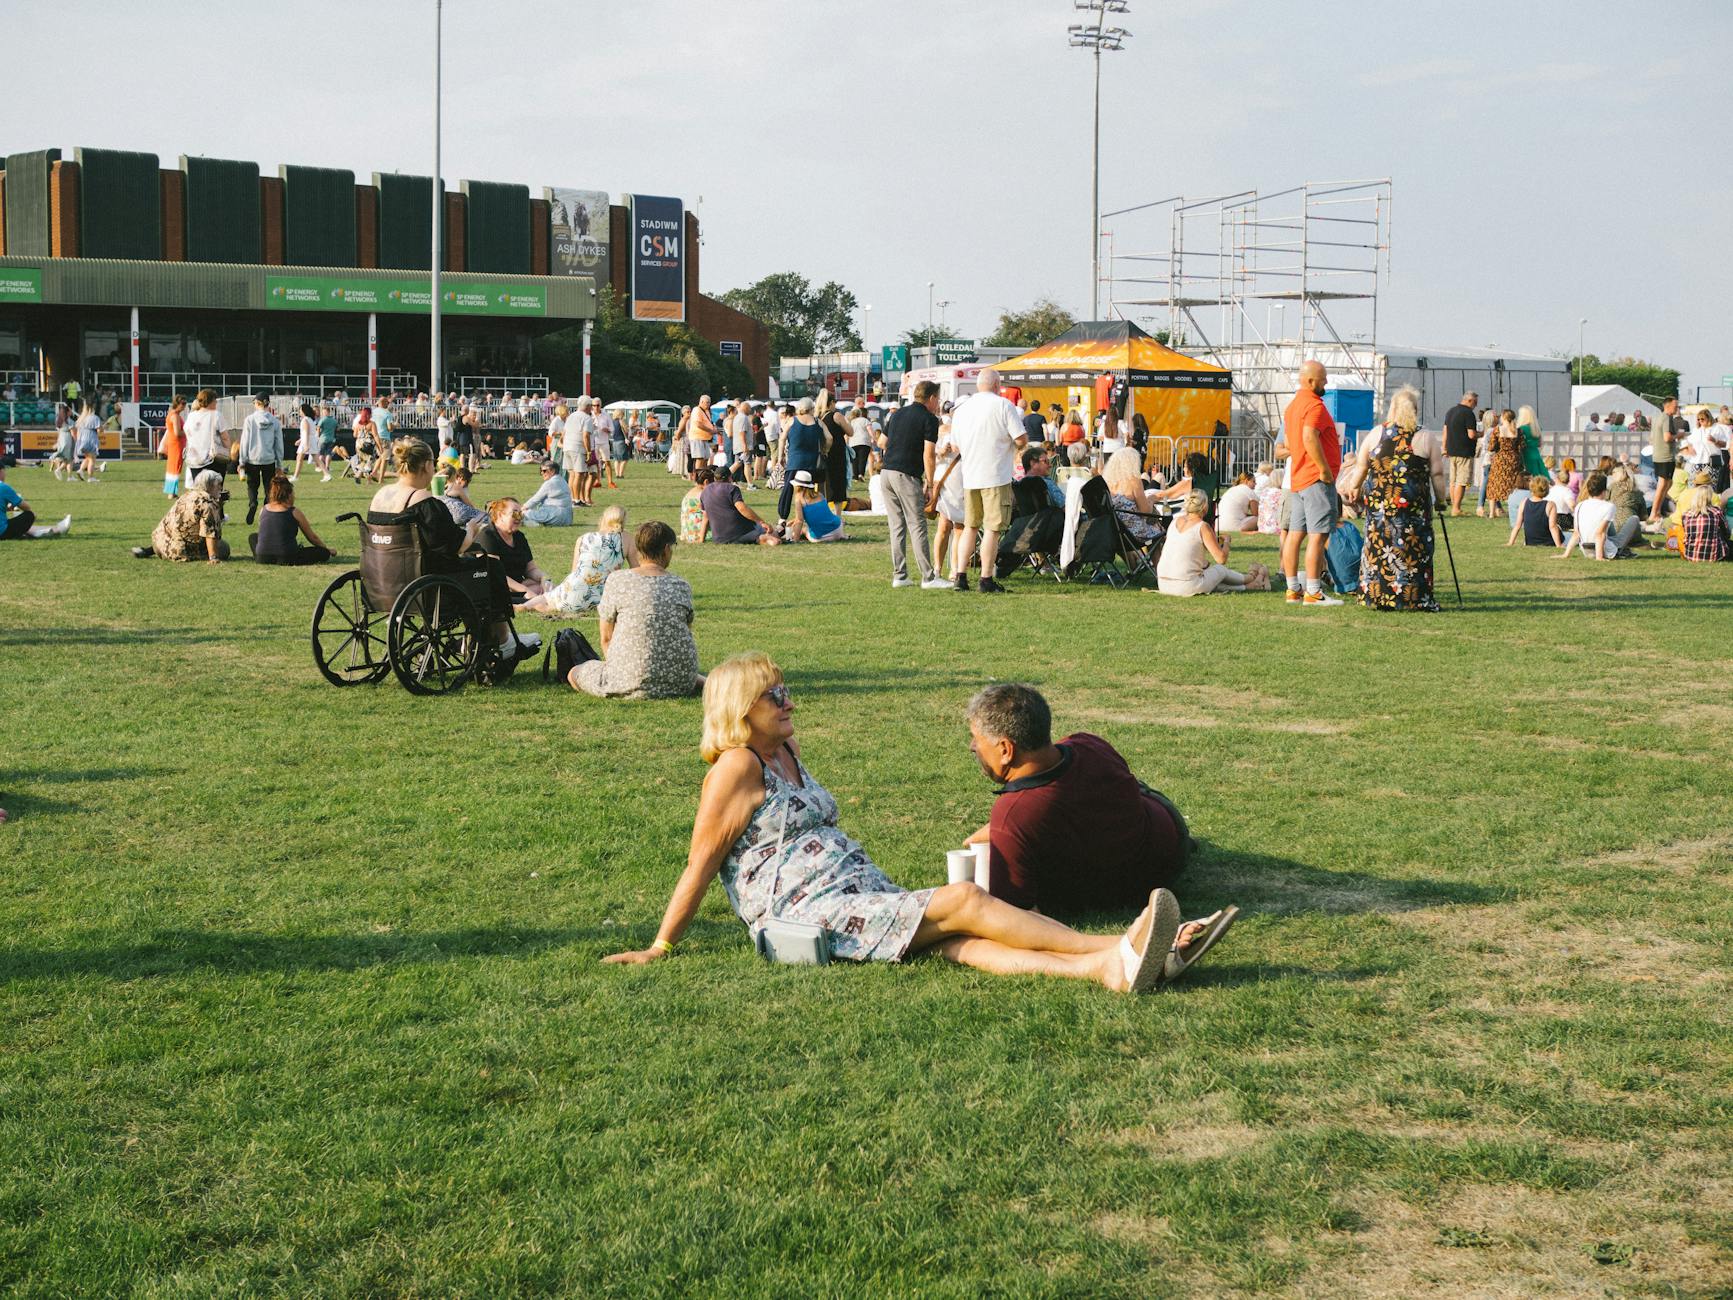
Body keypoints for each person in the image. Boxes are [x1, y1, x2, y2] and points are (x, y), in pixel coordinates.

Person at [603, 653, 1228, 990]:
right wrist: (661, 946)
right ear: (741, 709)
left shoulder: (783, 751)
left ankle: (1110, 969)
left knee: (956, 942)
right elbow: (702, 860)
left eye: (787, 690)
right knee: (962, 899)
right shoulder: (736, 767)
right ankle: (1127, 943)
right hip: (802, 916)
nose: (790, 701)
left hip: (852, 894)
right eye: (775, 696)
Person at [959, 684, 1213, 921]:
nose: (973, 747)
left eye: (976, 738)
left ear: (1005, 750)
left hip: (1130, 887)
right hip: (1167, 848)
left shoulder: (1015, 813)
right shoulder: (1088, 744)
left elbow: (1015, 912)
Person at [369, 438, 534, 659]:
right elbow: (456, 546)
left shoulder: (380, 495)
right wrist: (471, 530)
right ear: (428, 465)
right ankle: (503, 639)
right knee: (490, 567)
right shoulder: (423, 500)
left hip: (381, 578)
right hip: (425, 582)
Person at [554, 520, 704, 699]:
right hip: (681, 681)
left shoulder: (617, 580)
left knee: (574, 673)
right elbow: (685, 631)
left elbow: (606, 638)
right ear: (666, 549)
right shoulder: (681, 585)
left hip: (627, 681)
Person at [1337, 385, 1446, 611]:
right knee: (1413, 551)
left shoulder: (1376, 433)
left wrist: (1354, 487)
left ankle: (1377, 595)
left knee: (1379, 548)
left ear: (1392, 409)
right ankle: (1414, 597)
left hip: (1380, 508)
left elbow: (1361, 465)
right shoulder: (1425, 437)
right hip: (1413, 509)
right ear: (1414, 410)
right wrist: (1442, 500)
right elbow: (1437, 473)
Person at [950, 369, 1028, 594]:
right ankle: (985, 578)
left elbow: (955, 446)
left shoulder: (962, 410)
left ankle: (960, 575)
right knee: (992, 529)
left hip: (970, 475)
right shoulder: (1004, 405)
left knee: (970, 527)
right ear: (996, 384)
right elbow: (1020, 439)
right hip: (995, 475)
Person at [1279, 360, 1344, 606]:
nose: (1326, 382)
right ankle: (1314, 592)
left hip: (1297, 478)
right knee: (1318, 535)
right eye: (1322, 378)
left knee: (1295, 535)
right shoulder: (1315, 406)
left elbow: (1289, 441)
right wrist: (1324, 470)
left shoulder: (1293, 406)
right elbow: (1309, 436)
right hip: (1314, 479)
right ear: (1310, 381)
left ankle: (1292, 588)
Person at [879, 379, 948, 587]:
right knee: (917, 525)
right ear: (932, 398)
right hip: (906, 474)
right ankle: (928, 577)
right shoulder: (929, 419)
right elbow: (929, 455)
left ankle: (900, 575)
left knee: (896, 526)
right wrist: (930, 482)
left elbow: (882, 442)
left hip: (886, 473)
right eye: (938, 399)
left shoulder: (897, 413)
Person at [523, 503, 637, 615]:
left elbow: (574, 571)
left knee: (548, 597)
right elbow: (636, 571)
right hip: (600, 596)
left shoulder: (583, 538)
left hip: (573, 589)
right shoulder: (627, 539)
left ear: (604, 519)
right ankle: (550, 609)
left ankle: (525, 606)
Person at [1154, 492, 1264, 596]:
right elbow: (1221, 559)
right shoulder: (1202, 526)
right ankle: (1250, 578)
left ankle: (1249, 586)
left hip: (1163, 584)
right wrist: (1226, 542)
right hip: (1186, 585)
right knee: (1219, 570)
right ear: (1205, 507)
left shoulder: (1175, 521)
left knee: (1211, 580)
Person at [134, 469, 228, 561]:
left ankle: (149, 550)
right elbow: (210, 533)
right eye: (218, 485)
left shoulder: (187, 495)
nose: (221, 488)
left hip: (159, 541)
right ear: (209, 486)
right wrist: (213, 557)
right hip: (177, 551)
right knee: (223, 547)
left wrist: (218, 504)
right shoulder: (207, 505)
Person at [249, 474, 332, 565]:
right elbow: (312, 538)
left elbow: (265, 535)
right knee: (323, 553)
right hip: (288, 557)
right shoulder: (294, 512)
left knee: (253, 537)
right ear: (288, 494)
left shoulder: (263, 509)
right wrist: (326, 549)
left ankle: (262, 555)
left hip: (262, 558)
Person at [477, 498, 550, 601]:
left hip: (513, 585)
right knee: (537, 595)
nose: (519, 518)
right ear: (500, 515)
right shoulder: (487, 536)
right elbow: (494, 574)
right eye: (515, 514)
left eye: (521, 514)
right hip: (488, 587)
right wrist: (525, 591)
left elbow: (531, 569)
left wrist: (544, 578)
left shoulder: (519, 537)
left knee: (545, 589)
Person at [1558, 471, 1636, 561]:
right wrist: (1600, 557)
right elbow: (1600, 534)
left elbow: (1576, 534)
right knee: (1634, 519)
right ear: (1604, 491)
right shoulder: (1609, 506)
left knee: (1605, 526)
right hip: (1605, 550)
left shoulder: (1580, 505)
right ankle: (1631, 545)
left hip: (1586, 550)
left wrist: (1566, 554)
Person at [702, 464, 780, 545]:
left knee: (755, 535)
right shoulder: (732, 488)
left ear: (715, 478)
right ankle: (765, 538)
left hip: (719, 538)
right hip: (739, 532)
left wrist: (701, 539)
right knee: (771, 532)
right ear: (730, 477)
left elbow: (705, 516)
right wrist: (762, 522)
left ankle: (759, 538)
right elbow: (742, 508)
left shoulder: (705, 491)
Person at [930, 406, 966, 582]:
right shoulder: (941, 431)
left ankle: (955, 569)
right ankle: (937, 568)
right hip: (945, 481)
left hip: (961, 482)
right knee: (944, 526)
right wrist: (941, 452)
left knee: (959, 527)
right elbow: (930, 454)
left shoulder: (969, 431)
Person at [778, 397, 826, 525]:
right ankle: (811, 518)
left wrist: (780, 456)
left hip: (794, 461)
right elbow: (829, 437)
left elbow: (782, 439)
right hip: (812, 462)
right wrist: (824, 450)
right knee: (809, 491)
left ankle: (783, 518)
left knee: (788, 489)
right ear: (811, 409)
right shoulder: (818, 422)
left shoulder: (792, 421)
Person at [237, 395, 283, 525]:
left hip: (252, 459)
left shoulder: (250, 420)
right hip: (269, 459)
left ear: (257, 403)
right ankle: (266, 511)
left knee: (252, 485)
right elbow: (279, 443)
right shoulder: (275, 421)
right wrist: (279, 463)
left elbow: (244, 441)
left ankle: (253, 503)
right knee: (269, 487)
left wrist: (241, 461)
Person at [1102, 447, 1161, 546]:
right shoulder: (1133, 481)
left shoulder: (1107, 483)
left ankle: (1138, 561)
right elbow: (1145, 511)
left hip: (1115, 534)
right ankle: (1157, 561)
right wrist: (1151, 500)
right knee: (1157, 528)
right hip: (1134, 534)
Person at [0, 456, 68, 539]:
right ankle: (56, 529)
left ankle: (54, 529)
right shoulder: (3, 487)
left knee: (16, 522)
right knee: (30, 515)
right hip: (2, 532)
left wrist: (7, 508)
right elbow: (27, 508)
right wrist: (15, 503)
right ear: (1, 471)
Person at [1440, 390, 1478, 516]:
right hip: (1464, 451)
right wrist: (1482, 434)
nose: (1476, 405)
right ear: (1469, 400)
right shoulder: (1468, 413)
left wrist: (1444, 447)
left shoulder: (1450, 411)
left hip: (1451, 450)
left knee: (1453, 481)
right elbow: (1471, 434)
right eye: (1475, 402)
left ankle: (1454, 507)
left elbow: (1445, 431)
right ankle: (1456, 508)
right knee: (1461, 481)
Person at [815, 389, 853, 514]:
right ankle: (837, 515)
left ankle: (824, 513)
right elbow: (850, 432)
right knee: (838, 485)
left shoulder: (817, 417)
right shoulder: (836, 416)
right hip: (837, 454)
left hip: (822, 454)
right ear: (831, 403)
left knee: (824, 485)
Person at [1648, 396, 1686, 523]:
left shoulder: (1657, 417)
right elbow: (1667, 438)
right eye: (1675, 406)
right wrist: (1679, 435)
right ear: (1668, 406)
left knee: (1667, 483)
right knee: (1663, 484)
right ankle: (1654, 513)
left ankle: (1657, 511)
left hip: (1658, 455)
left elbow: (1652, 438)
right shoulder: (1667, 418)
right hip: (1665, 456)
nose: (1677, 408)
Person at [1679, 479, 1730, 563]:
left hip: (1691, 554)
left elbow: (1687, 533)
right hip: (1714, 555)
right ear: (1710, 497)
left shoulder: (1686, 514)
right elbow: (1726, 532)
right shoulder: (1716, 512)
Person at [1483, 410, 1522, 516]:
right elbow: (1521, 446)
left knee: (1493, 485)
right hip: (1514, 460)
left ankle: (1492, 513)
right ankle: (1516, 511)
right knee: (1514, 485)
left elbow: (1491, 447)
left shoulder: (1497, 430)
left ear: (1503, 417)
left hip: (1500, 460)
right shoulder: (1518, 430)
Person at [1506, 475, 1563, 548]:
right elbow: (1552, 526)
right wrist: (1559, 545)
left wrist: (1510, 542)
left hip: (1530, 542)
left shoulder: (1524, 502)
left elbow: (1517, 525)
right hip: (1549, 541)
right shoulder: (1550, 505)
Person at [791, 472, 845, 541]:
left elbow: (799, 520)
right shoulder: (820, 495)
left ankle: (796, 536)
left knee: (804, 529)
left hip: (822, 537)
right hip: (838, 529)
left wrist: (795, 540)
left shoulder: (799, 499)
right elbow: (820, 514)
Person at [521, 460, 574, 528]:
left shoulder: (549, 483)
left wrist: (522, 509)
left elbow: (535, 500)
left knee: (525, 513)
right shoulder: (563, 480)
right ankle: (533, 523)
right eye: (541, 471)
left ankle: (531, 522)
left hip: (556, 515)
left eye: (544, 471)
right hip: (567, 519)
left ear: (552, 471)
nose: (542, 473)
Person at [159, 396, 186, 499]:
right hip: (176, 444)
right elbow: (177, 432)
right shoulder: (175, 416)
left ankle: (172, 491)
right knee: (175, 467)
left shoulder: (172, 414)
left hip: (174, 443)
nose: (184, 407)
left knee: (173, 467)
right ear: (177, 404)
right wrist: (188, 432)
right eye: (182, 404)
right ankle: (171, 492)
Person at [73, 400, 102, 481]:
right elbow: (99, 430)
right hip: (90, 439)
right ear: (92, 408)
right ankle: (91, 477)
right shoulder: (94, 417)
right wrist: (102, 428)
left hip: (82, 440)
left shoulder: (81, 418)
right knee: (92, 459)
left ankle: (81, 470)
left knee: (88, 457)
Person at [1515, 405, 1546, 481]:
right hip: (1536, 455)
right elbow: (1539, 444)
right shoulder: (1537, 428)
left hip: (1525, 456)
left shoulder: (1521, 429)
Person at [848, 403, 874, 481]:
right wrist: (874, 438)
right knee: (863, 459)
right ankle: (861, 474)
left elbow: (847, 433)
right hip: (864, 442)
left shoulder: (851, 422)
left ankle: (855, 476)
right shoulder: (865, 420)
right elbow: (870, 430)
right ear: (860, 413)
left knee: (855, 460)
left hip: (853, 442)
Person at [316, 403, 339, 481]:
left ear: (326, 412)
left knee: (321, 454)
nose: (322, 413)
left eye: (323, 412)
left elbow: (318, 428)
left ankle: (320, 467)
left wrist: (318, 435)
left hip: (323, 439)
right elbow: (338, 429)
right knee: (328, 453)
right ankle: (327, 467)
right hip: (331, 439)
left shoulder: (323, 419)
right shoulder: (334, 420)